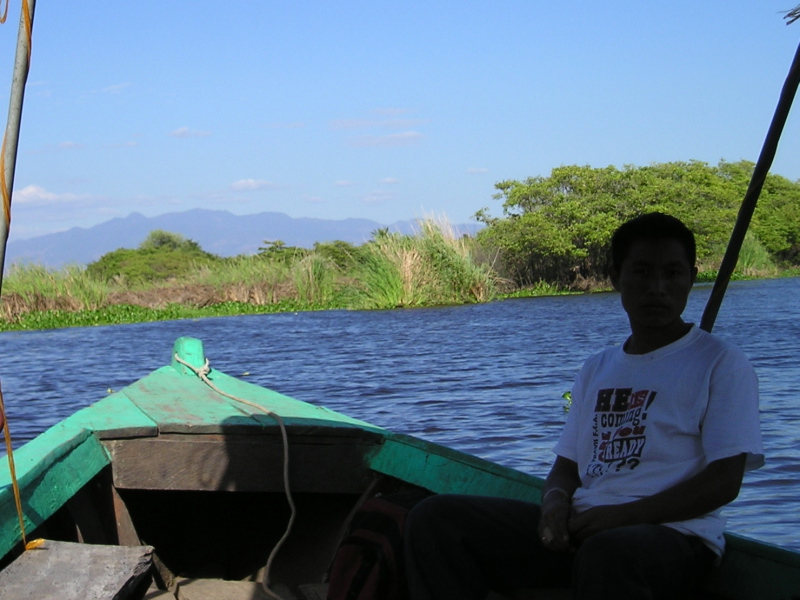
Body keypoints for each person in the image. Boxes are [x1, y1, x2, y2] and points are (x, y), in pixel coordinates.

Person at [403, 212, 764, 600]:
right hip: (590, 527)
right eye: (642, 272)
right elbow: (567, 466)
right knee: (436, 519)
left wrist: (620, 518)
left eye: (673, 274)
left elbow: (725, 482)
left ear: (691, 279)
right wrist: (554, 505)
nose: (658, 287)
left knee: (608, 553)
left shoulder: (719, 362)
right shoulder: (598, 367)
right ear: (615, 279)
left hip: (676, 537)